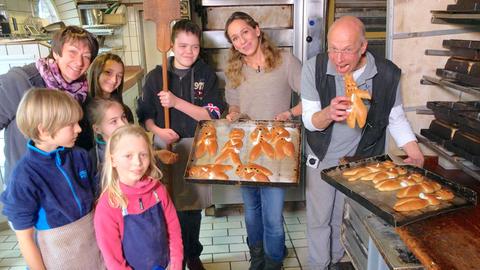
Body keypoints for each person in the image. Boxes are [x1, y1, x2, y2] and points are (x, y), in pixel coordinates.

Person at [301, 16, 424, 270]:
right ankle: (317, 265)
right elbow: (310, 121)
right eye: (333, 49)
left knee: (341, 217)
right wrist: (327, 113)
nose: (338, 58)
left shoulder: (386, 74)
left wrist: (415, 153)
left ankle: (334, 262)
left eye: (347, 50)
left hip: (361, 160)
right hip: (321, 156)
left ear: (363, 47)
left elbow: (396, 117)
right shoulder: (314, 68)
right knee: (319, 218)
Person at [136, 19, 225, 270]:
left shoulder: (205, 74)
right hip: (164, 148)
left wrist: (175, 102)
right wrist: (158, 131)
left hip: (195, 146)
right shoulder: (157, 76)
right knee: (165, 204)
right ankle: (171, 257)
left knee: (191, 208)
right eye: (183, 45)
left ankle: (192, 254)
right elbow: (145, 115)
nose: (189, 52)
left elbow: (212, 114)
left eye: (195, 47)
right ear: (172, 45)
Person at [224, 11, 302, 270]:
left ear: (257, 30)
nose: (242, 41)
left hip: (277, 152)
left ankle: (273, 262)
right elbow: (233, 104)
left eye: (244, 32)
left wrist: (290, 113)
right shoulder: (234, 69)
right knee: (251, 213)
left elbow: (311, 99)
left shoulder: (286, 62)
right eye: (235, 38)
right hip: (246, 151)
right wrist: (233, 114)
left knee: (272, 215)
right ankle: (257, 258)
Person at [0, 88, 104, 269]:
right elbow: (25, 239)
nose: (79, 129)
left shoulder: (80, 156)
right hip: (57, 255)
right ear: (44, 130)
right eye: (71, 124)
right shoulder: (24, 177)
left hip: (92, 247)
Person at [0, 25, 98, 181]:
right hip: (28, 187)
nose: (79, 62)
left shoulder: (82, 91)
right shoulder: (21, 80)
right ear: (56, 53)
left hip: (65, 184)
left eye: (86, 56)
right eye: (72, 52)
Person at [94, 124, 183, 270]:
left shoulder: (158, 190)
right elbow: (113, 260)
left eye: (143, 154)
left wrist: (176, 262)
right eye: (128, 156)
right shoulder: (109, 205)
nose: (137, 162)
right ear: (113, 160)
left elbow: (173, 228)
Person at [77, 53, 134, 151]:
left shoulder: (126, 111)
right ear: (96, 72)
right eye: (108, 72)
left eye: (119, 76)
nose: (114, 80)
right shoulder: (80, 111)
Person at [86, 98, 129, 174]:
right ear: (97, 129)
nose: (123, 124)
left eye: (124, 117)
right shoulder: (93, 158)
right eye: (114, 121)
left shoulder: (138, 143)